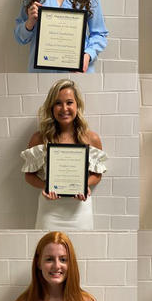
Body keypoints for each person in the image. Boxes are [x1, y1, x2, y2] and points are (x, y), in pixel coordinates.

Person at [21, 79, 106, 230]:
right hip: (49, 211)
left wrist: (85, 184)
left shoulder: (92, 138)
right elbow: (29, 176)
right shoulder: (39, 138)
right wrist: (46, 187)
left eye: (69, 102)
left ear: (77, 105)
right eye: (58, 103)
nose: (64, 108)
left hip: (80, 210)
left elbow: (97, 175)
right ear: (51, 107)